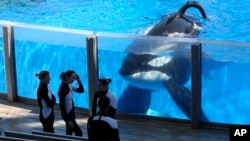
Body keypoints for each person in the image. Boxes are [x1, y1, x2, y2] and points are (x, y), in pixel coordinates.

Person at [58, 70, 84, 136]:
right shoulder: (62, 89)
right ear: (67, 77)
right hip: (68, 116)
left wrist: (78, 80)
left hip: (71, 113)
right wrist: (68, 120)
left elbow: (81, 90)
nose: (74, 79)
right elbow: (62, 107)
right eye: (72, 77)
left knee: (69, 133)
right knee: (79, 133)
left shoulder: (69, 86)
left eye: (74, 77)